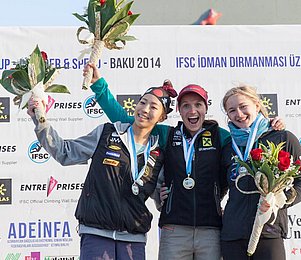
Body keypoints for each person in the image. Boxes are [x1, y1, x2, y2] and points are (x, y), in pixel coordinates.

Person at [85, 63, 285, 260]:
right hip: (175, 229)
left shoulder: (221, 136)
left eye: (198, 105)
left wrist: (270, 125)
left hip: (211, 230)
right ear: (179, 110)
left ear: (206, 108)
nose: (192, 111)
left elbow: (248, 137)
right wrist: (98, 85)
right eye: (186, 106)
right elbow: (129, 121)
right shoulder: (167, 135)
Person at [27, 80, 177, 259]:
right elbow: (64, 152)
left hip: (133, 239)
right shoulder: (107, 133)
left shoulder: (158, 152)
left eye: (153, 107)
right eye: (143, 102)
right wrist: (39, 117)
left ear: (161, 117)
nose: (144, 109)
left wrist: (163, 198)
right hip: (96, 233)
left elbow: (159, 198)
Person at [220, 84, 301, 260]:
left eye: (243, 106)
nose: (238, 114)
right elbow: (219, 187)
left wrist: (280, 201)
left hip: (269, 230)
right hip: (233, 234)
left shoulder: (282, 137)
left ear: (256, 105)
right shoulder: (227, 146)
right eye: (232, 110)